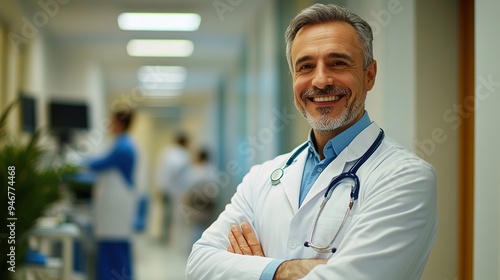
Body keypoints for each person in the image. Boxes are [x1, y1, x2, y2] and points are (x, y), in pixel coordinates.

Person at [186, 3, 438, 280]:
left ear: (369, 75)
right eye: (305, 66)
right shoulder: (262, 177)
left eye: (338, 63)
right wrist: (284, 269)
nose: (320, 80)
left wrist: (252, 270)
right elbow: (199, 264)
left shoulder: (405, 177)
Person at [84, 109, 137, 280]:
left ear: (119, 123)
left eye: (111, 121)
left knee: (115, 256)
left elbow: (101, 164)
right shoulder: (121, 144)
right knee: (113, 255)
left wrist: (77, 161)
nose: (109, 125)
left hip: (116, 212)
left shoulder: (124, 147)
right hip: (114, 212)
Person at [155, 132, 192, 244]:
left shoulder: (167, 152)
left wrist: (160, 187)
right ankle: (167, 238)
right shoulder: (184, 155)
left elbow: (162, 172)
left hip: (167, 188)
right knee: (171, 215)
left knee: (166, 215)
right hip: (175, 190)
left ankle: (164, 238)